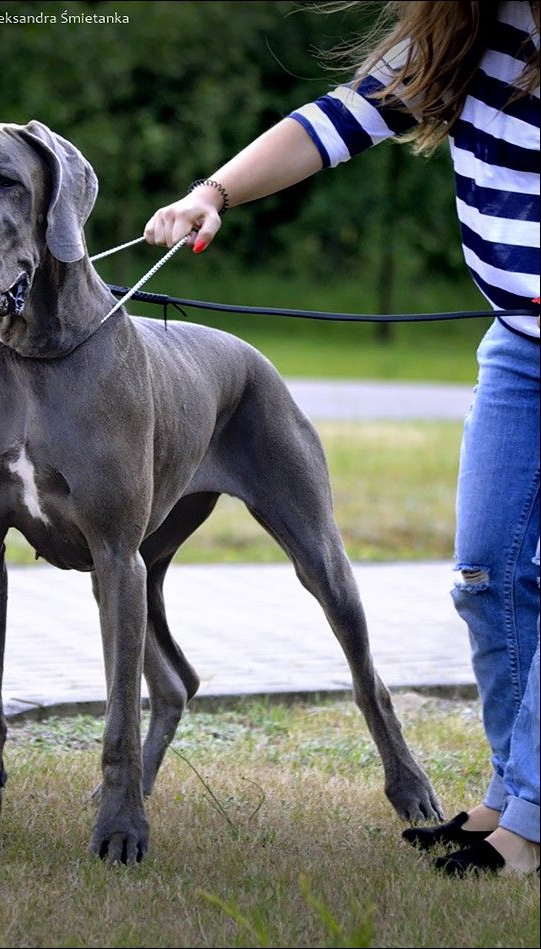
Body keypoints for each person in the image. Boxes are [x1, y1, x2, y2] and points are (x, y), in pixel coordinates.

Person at [144, 0, 540, 876]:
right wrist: (211, 194)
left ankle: (531, 826)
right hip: (519, 345)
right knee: (488, 571)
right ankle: (513, 789)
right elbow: (335, 121)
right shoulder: (464, 27)